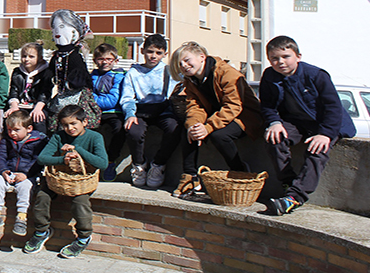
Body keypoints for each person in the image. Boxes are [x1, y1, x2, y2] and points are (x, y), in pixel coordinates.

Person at [260, 36, 356, 216]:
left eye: (286, 56)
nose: (280, 62)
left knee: (317, 150)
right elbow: (267, 105)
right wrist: (274, 122)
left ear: (298, 56)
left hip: (325, 124)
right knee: (274, 139)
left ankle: (295, 197)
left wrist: (325, 134)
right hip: (297, 123)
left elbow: (333, 107)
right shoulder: (269, 76)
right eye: (274, 58)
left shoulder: (316, 75)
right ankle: (288, 183)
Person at [169, 41, 263, 198]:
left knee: (219, 135)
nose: (184, 65)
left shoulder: (226, 72)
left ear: (201, 57)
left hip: (245, 116)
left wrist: (208, 127)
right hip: (220, 116)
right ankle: (190, 176)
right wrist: (195, 125)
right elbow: (195, 107)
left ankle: (241, 172)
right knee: (189, 129)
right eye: (180, 64)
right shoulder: (191, 81)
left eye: (187, 60)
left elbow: (233, 106)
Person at [23, 104, 107, 258]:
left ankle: (83, 236)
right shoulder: (58, 136)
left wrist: (78, 150)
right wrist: (63, 159)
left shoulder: (95, 137)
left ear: (85, 122)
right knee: (42, 195)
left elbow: (102, 163)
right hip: (59, 178)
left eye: (74, 123)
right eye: (65, 125)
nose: (70, 128)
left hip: (83, 179)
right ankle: (42, 231)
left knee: (80, 202)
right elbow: (42, 158)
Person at [119, 33, 180, 189]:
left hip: (163, 110)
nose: (153, 56)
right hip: (141, 110)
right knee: (133, 131)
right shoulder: (133, 72)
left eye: (158, 53)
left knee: (174, 129)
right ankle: (139, 163)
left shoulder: (168, 71)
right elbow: (127, 97)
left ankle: (158, 165)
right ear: (143, 51)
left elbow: (175, 94)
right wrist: (130, 114)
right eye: (150, 51)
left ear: (165, 54)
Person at [0, 110, 47, 235]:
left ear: (29, 128)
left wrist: (26, 174)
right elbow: (1, 157)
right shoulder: (6, 140)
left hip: (28, 175)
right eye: (9, 130)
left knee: (25, 187)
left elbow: (38, 161)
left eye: (16, 130)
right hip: (9, 172)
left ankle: (21, 218)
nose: (12, 133)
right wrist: (3, 171)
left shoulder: (39, 141)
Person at [91, 43, 126, 181]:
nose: (104, 62)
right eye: (100, 59)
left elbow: (112, 100)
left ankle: (111, 161)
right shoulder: (92, 76)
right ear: (95, 61)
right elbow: (87, 93)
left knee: (119, 129)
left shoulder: (119, 76)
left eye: (108, 59)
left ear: (115, 61)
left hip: (113, 111)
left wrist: (95, 100)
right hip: (94, 112)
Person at [7, 41, 54, 133]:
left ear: (40, 58)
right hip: (21, 104)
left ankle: (41, 141)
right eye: (24, 56)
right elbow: (14, 91)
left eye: (31, 56)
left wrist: (38, 108)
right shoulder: (17, 72)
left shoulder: (46, 72)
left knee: (38, 119)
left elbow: (45, 92)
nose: (26, 59)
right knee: (10, 118)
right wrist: (14, 106)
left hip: (39, 105)